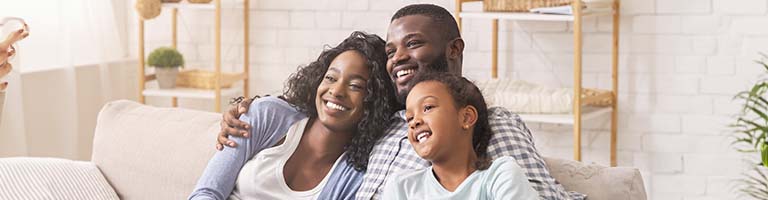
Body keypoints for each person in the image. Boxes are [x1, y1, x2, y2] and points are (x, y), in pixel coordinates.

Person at [217, 4, 585, 200]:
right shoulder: (382, 121)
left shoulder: (488, 121)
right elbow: (327, 106)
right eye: (391, 51)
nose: (397, 59)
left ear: (453, 49)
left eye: (413, 44)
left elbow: (540, 194)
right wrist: (253, 108)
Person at [189, 31, 399, 200]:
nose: (336, 91)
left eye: (355, 86)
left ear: (376, 100)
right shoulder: (267, 115)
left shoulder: (355, 174)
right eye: (330, 78)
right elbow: (206, 192)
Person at [382, 72, 538, 200]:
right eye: (409, 118)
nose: (414, 122)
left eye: (427, 107)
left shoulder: (499, 176)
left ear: (466, 118)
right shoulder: (402, 186)